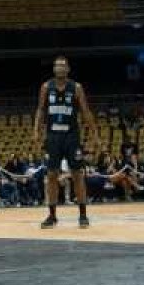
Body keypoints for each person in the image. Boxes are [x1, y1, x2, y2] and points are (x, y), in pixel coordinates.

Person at [35, 55, 95, 229]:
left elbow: (85, 111)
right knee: (52, 175)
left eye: (63, 65)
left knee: (77, 175)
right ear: (54, 69)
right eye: (57, 65)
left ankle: (83, 215)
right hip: (53, 136)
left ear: (68, 69)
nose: (60, 68)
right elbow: (40, 109)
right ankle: (52, 216)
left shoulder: (76, 87)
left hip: (72, 136)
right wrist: (35, 130)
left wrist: (94, 133)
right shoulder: (46, 87)